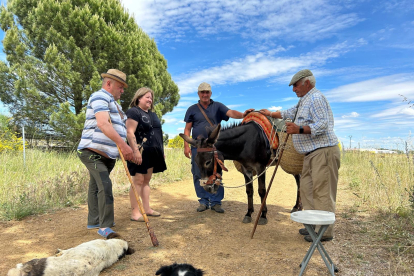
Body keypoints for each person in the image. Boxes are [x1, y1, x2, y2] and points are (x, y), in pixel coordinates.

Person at [248, 69, 340, 242]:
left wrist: (298, 129)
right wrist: (269, 114)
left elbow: (323, 124)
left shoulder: (316, 98)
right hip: (311, 154)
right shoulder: (304, 101)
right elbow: (289, 113)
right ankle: (313, 226)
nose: (293, 89)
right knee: (307, 190)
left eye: (295, 85)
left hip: (323, 152)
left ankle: (325, 232)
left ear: (307, 83)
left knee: (322, 192)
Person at [77, 69, 133, 238]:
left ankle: (94, 220)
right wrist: (123, 144)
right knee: (105, 185)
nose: (123, 90)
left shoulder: (116, 104)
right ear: (109, 83)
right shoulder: (100, 96)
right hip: (92, 152)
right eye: (120, 86)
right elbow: (102, 123)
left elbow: (119, 127)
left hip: (108, 155)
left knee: (95, 186)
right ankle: (105, 226)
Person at [184, 82, 244, 213]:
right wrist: (186, 146)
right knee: (199, 174)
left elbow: (231, 112)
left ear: (210, 93)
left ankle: (216, 202)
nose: (205, 94)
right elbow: (187, 129)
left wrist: (244, 115)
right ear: (198, 94)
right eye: (202, 92)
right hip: (198, 148)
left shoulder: (218, 106)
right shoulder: (192, 109)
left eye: (207, 92)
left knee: (216, 173)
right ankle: (203, 201)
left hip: (213, 147)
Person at [125, 87, 166, 222]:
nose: (150, 99)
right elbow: (130, 132)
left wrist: (161, 151)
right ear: (139, 98)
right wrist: (135, 151)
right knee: (138, 181)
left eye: (151, 97)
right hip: (139, 151)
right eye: (147, 97)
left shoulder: (153, 115)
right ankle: (135, 213)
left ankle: (147, 209)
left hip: (152, 152)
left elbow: (158, 134)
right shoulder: (134, 112)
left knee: (146, 180)